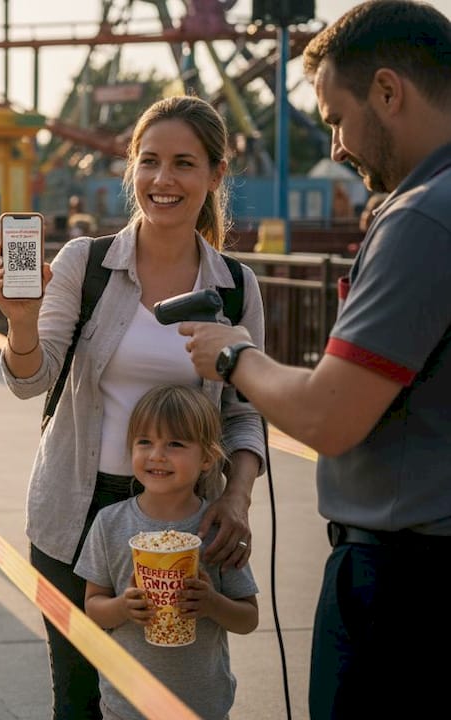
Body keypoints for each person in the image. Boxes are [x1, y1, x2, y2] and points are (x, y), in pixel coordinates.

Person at [178, 4, 451, 717]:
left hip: (403, 587)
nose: (333, 144)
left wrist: (234, 354)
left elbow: (328, 417)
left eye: (336, 117)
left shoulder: (424, 217)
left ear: (388, 92)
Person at [0, 94, 266, 719]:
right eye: (150, 162)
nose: (163, 180)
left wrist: (236, 497)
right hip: (76, 510)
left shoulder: (235, 287)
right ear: (131, 170)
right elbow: (31, 382)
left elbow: (245, 411)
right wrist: (22, 324)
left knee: (172, 694)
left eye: (184, 164)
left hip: (185, 518)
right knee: (79, 698)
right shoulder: (83, 265)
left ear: (216, 175)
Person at [75, 384, 259, 720]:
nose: (157, 454)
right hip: (126, 703)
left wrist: (212, 603)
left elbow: (249, 618)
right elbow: (93, 606)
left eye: (175, 444)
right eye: (145, 442)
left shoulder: (217, 529)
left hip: (202, 704)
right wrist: (122, 606)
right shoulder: (110, 523)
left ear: (207, 458)